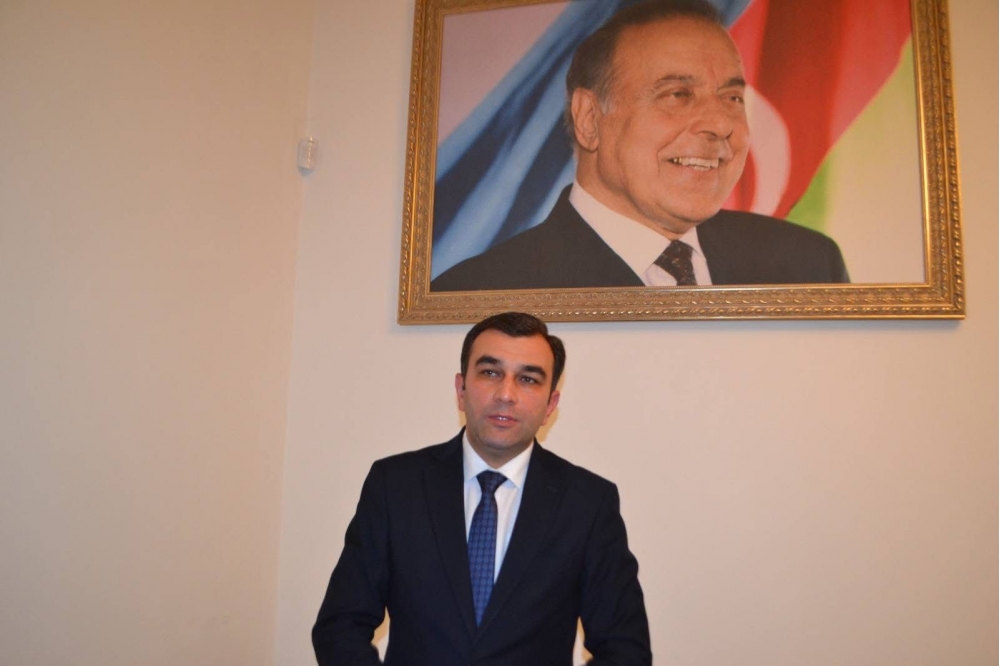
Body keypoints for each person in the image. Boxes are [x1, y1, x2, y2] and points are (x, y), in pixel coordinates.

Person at [430, 0, 849, 291]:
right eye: (677, 95)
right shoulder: (485, 288)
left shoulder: (808, 264)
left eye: (732, 98)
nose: (722, 124)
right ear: (589, 119)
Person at [312, 312, 651, 665]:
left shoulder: (588, 504)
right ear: (461, 389)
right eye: (490, 373)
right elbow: (340, 626)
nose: (506, 394)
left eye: (528, 379)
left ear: (550, 405)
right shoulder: (395, 486)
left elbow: (625, 650)